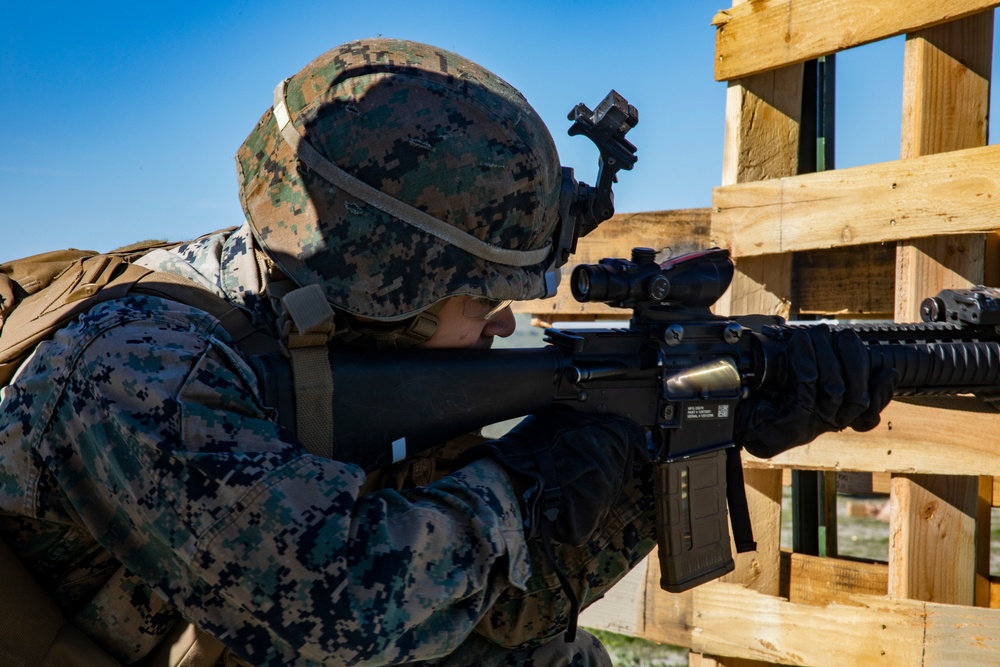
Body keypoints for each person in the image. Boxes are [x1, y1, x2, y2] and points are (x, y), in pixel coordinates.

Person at [0, 38, 895, 666]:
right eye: (481, 300)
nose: (503, 326)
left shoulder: (315, 323)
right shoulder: (137, 374)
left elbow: (509, 612)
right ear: (388, 287)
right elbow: (347, 608)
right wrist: (526, 489)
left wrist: (685, 435)